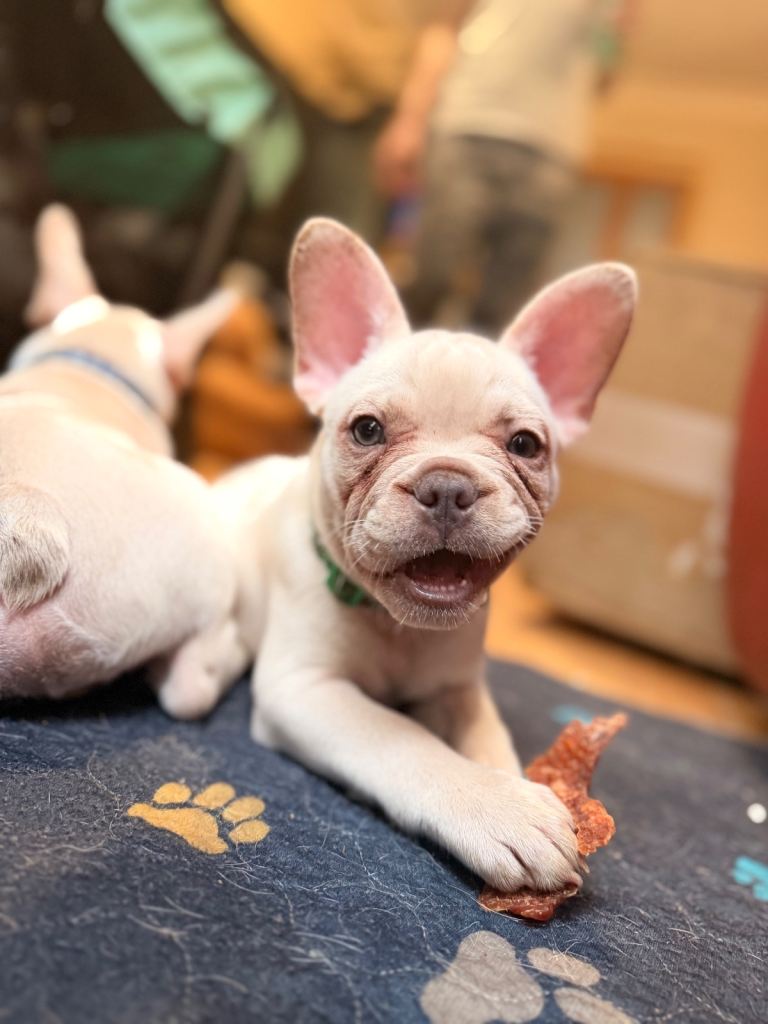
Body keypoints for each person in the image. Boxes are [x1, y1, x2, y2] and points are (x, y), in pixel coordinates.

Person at [375, 0, 627, 334]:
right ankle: (399, 375)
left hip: (550, 147)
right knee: (433, 272)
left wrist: (621, 27)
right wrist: (410, 119)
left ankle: (481, 383)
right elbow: (443, 32)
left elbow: (604, 76)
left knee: (506, 306)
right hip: (466, 126)